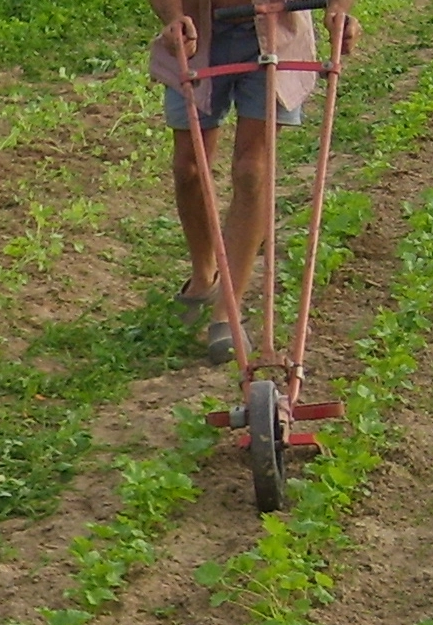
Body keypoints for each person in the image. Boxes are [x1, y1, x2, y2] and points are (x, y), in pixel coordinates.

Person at [149, 0, 360, 364]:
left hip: (274, 31)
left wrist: (337, 11)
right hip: (199, 32)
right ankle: (204, 279)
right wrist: (172, 18)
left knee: (251, 170)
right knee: (189, 168)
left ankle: (226, 313)